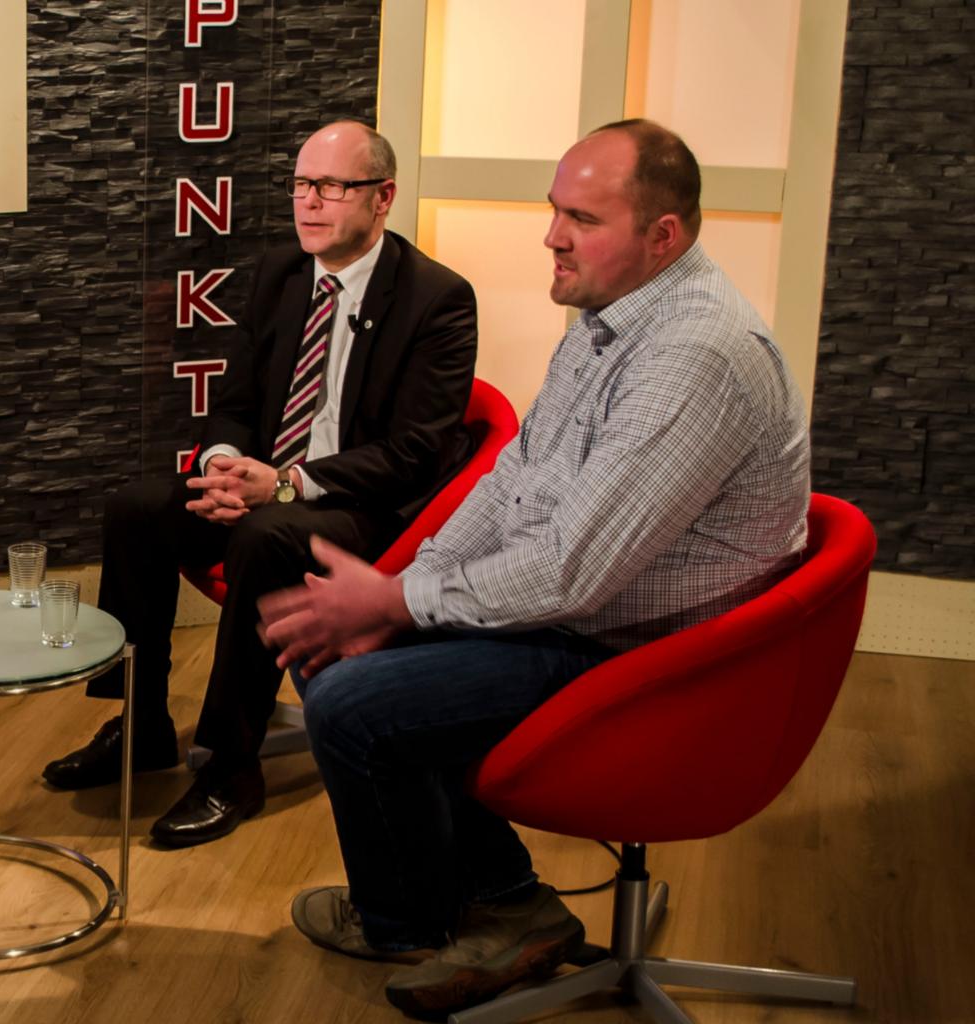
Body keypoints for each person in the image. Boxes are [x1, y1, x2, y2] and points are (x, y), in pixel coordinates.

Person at [260, 119, 809, 1018]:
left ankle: (411, 916)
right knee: (358, 662)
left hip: (659, 664)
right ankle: (508, 905)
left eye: (582, 219)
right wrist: (413, 589)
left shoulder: (692, 356)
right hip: (598, 613)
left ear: (662, 236)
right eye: (555, 210)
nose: (551, 236)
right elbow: (519, 477)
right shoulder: (613, 321)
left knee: (356, 701)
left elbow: (572, 575)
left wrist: (400, 599)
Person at [41, 122, 479, 849]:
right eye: (302, 185)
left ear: (383, 199)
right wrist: (221, 466)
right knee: (138, 507)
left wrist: (281, 485)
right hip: (263, 485)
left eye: (332, 187)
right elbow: (238, 403)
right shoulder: (279, 272)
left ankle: (231, 764)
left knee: (262, 534)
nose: (310, 203)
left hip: (360, 509)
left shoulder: (436, 299)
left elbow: (416, 453)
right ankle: (142, 723)